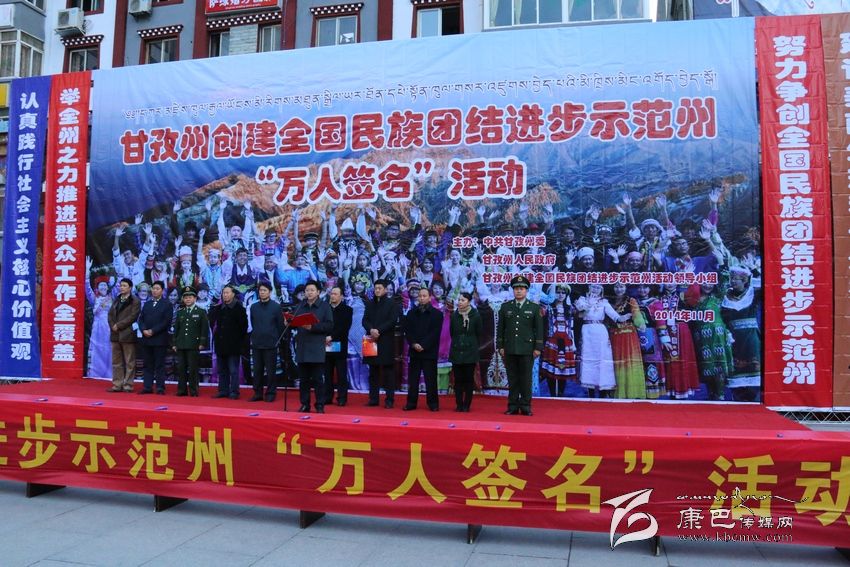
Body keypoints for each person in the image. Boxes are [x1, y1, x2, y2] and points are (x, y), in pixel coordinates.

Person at [497, 275, 544, 416]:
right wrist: (500, 346)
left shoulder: (534, 308)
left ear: (526, 290)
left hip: (527, 349)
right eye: (516, 288)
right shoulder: (506, 307)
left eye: (522, 288)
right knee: (512, 379)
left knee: (526, 379)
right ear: (513, 290)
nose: (518, 291)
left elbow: (539, 330)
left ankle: (525, 406)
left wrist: (538, 348)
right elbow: (501, 328)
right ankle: (512, 406)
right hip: (510, 348)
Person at [293, 280, 334, 413]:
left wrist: (313, 327)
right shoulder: (300, 306)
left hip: (316, 347)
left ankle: (320, 404)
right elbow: (294, 322)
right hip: (302, 347)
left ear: (318, 292)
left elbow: (329, 325)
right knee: (303, 380)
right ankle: (305, 404)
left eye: (312, 290)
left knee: (318, 379)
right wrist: (288, 322)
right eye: (307, 290)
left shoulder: (325, 307)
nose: (309, 293)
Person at [402, 287, 444, 411]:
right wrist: (414, 344)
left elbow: (435, 333)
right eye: (420, 296)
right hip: (414, 351)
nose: (421, 298)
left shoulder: (437, 314)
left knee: (431, 379)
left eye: (424, 296)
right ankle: (411, 403)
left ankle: (433, 404)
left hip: (429, 351)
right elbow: (408, 331)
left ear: (430, 298)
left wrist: (424, 345)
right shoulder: (411, 313)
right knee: (413, 380)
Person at [362, 279, 400, 408]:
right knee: (373, 371)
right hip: (371, 339)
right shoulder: (369, 303)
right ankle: (373, 399)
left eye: (380, 288)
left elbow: (392, 321)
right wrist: (371, 330)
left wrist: (378, 330)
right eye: (376, 288)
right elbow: (364, 320)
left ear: (385, 290)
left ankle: (389, 400)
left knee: (388, 371)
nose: (377, 290)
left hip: (385, 340)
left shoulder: (392, 303)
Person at [209, 284, 248, 399]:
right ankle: (223, 390)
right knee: (222, 370)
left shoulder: (239, 309)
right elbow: (213, 324)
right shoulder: (218, 308)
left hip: (233, 345)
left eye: (227, 293)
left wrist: (238, 342)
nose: (225, 295)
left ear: (233, 294)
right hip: (220, 344)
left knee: (233, 370)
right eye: (223, 293)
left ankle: (234, 391)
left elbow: (243, 328)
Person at [249, 281, 285, 402]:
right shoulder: (254, 307)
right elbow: (253, 323)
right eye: (260, 290)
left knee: (271, 371)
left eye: (264, 290)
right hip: (256, 343)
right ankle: (257, 393)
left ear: (269, 292)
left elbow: (280, 326)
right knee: (257, 370)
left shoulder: (276, 307)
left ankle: (270, 393)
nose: (262, 292)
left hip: (271, 344)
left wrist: (276, 340)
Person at [172, 286, 209, 397]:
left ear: (195, 298)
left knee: (193, 369)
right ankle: (181, 390)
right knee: (181, 368)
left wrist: (202, 343)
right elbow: (176, 329)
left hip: (194, 344)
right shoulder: (180, 312)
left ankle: (193, 390)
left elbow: (204, 329)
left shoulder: (201, 312)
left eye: (190, 297)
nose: (188, 299)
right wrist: (174, 343)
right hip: (181, 344)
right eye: (185, 297)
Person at [137, 281, 173, 395]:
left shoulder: (167, 304)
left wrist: (153, 331)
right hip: (146, 339)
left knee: (159, 365)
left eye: (157, 289)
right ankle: (147, 386)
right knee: (147, 364)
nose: (155, 291)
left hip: (159, 339)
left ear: (162, 290)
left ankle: (160, 387)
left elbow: (166, 321)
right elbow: (141, 319)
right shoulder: (147, 304)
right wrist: (143, 330)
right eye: (153, 288)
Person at [106, 278, 141, 393]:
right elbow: (110, 314)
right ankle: (117, 384)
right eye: (121, 285)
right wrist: (113, 325)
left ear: (130, 288)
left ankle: (128, 385)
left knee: (129, 361)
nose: (122, 288)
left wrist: (119, 325)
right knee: (116, 361)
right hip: (115, 334)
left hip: (127, 334)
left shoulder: (135, 300)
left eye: (124, 286)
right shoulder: (117, 299)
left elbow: (133, 316)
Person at [449, 292, 482, 412]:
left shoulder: (475, 315)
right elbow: (452, 332)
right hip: (457, 351)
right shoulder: (454, 316)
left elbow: (479, 333)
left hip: (470, 352)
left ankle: (467, 405)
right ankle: (459, 404)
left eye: (462, 300)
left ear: (469, 302)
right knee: (458, 380)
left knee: (468, 379)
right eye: (459, 300)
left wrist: (470, 343)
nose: (459, 302)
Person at [324, 285, 353, 406]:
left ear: (341, 296)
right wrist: (325, 337)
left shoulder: (347, 310)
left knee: (341, 373)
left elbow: (344, 327)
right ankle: (327, 396)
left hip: (339, 345)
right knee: (327, 373)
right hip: (326, 344)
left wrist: (332, 337)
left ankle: (342, 397)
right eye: (331, 293)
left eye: (335, 294)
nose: (333, 296)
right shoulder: (325, 309)